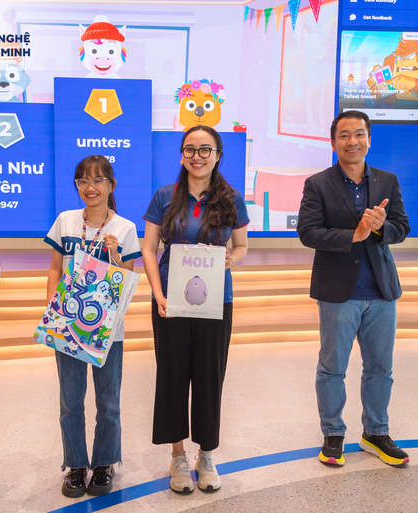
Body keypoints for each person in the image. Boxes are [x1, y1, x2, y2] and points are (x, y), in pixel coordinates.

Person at [297, 110, 411, 467]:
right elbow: (308, 232)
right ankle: (333, 434)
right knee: (333, 368)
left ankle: (376, 432)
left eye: (359, 134)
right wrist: (355, 235)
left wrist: (380, 228)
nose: (352, 141)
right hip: (337, 291)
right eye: (344, 135)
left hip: (381, 291)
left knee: (380, 368)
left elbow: (402, 226)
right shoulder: (318, 183)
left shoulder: (387, 181)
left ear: (369, 140)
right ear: (333, 142)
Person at [142, 125, 249, 493]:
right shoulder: (164, 196)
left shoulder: (231, 198)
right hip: (170, 301)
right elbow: (149, 250)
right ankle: (177, 456)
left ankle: (206, 455)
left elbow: (241, 247)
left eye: (206, 150)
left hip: (216, 302)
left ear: (217, 155)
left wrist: (231, 260)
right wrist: (158, 294)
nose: (197, 156)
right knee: (171, 377)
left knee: (208, 377)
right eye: (190, 149)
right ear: (182, 154)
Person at [44, 155, 142, 498]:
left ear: (111, 185)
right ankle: (75, 465)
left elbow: (129, 278)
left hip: (107, 330)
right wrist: (53, 310)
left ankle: (104, 463)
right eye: (84, 180)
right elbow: (55, 268)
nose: (91, 187)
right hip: (68, 324)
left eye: (99, 180)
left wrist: (116, 258)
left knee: (108, 402)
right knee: (70, 401)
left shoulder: (125, 228)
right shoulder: (66, 221)